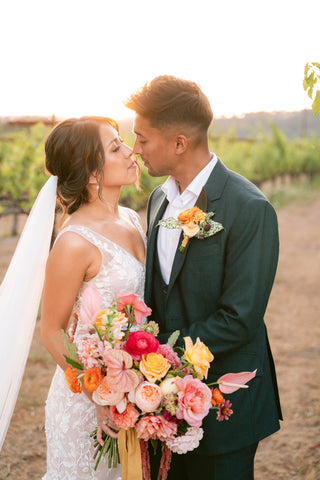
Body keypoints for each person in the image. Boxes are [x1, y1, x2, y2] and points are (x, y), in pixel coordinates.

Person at [124, 75, 282, 480]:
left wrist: (162, 360)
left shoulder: (250, 209)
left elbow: (239, 316)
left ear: (180, 142)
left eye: (143, 139)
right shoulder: (159, 197)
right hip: (163, 402)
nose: (135, 149)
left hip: (223, 400)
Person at [40, 116, 146, 479]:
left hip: (133, 391)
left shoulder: (132, 219)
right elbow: (52, 330)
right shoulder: (73, 242)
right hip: (86, 401)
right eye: (116, 147)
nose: (131, 150)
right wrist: (98, 395)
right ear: (91, 174)